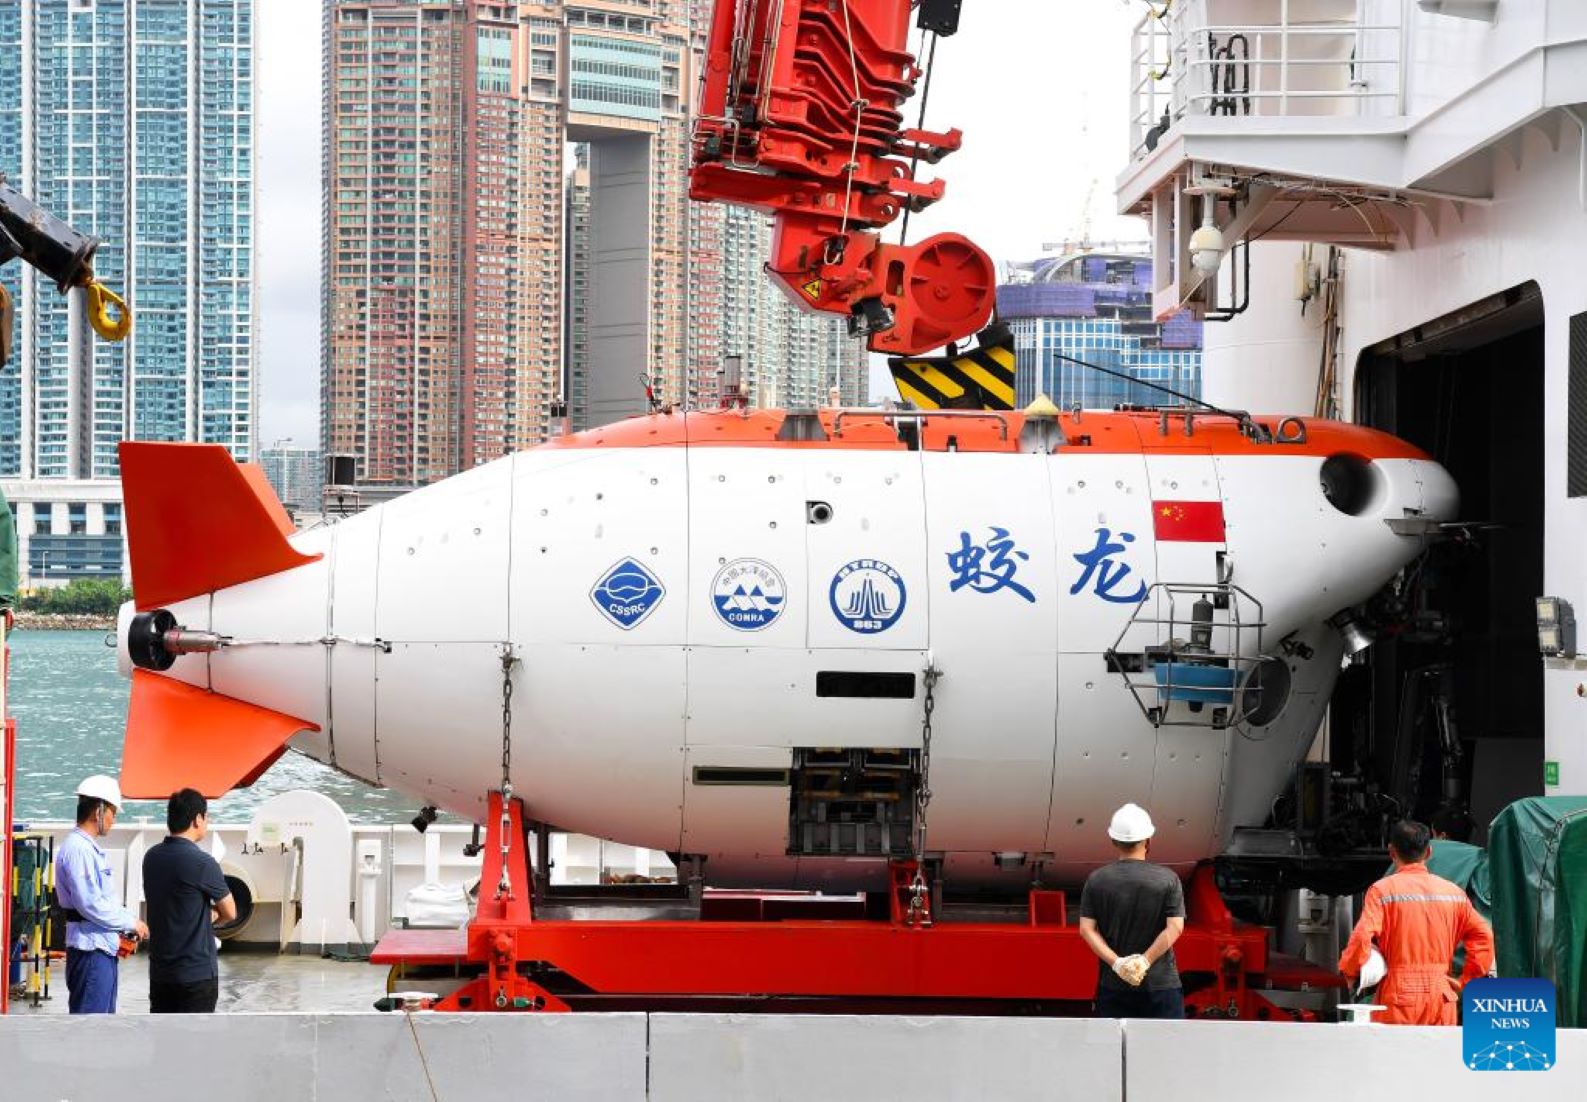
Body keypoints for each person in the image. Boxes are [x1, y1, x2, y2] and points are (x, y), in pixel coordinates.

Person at [1339, 819, 1495, 1025]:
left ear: (1392, 851)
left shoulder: (1383, 891)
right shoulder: (1454, 893)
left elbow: (1361, 937)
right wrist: (1466, 981)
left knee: (1396, 1056)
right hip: (1442, 995)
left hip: (1399, 996)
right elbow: (1485, 937)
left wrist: (1350, 972)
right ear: (1429, 852)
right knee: (1438, 1057)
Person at [1077, 803, 1186, 1019]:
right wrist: (1144, 961)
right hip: (1161, 985)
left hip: (1113, 986)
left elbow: (1086, 929)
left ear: (1113, 841)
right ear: (1148, 840)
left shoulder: (1097, 880)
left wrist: (1118, 964)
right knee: (1166, 1050)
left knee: (1113, 1050)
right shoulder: (1168, 879)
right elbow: (1175, 927)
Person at [53, 775, 149, 1014]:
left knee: (103, 1025)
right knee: (91, 1028)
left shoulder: (86, 848)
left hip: (100, 947)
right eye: (113, 813)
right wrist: (130, 922)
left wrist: (126, 924)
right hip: (90, 951)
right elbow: (90, 904)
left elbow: (103, 901)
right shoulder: (79, 850)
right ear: (99, 811)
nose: (113, 820)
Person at [141, 788, 235, 1013]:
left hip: (161, 973)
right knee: (196, 1045)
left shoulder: (151, 858)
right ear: (197, 819)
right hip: (196, 975)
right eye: (206, 817)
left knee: (163, 1042)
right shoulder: (202, 862)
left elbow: (175, 903)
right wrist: (211, 916)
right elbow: (230, 912)